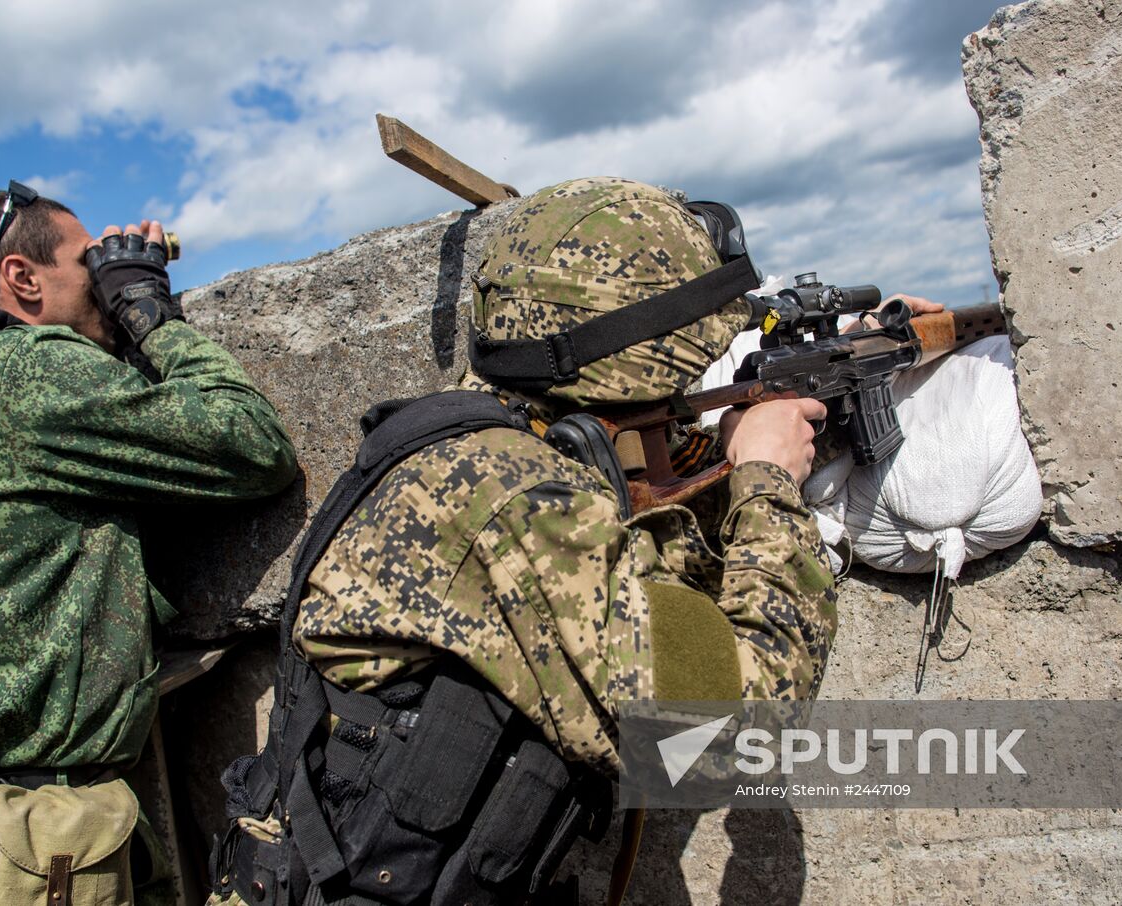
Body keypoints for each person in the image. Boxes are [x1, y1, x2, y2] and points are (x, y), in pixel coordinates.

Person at [213, 177, 838, 905]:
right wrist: (767, 483)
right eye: (678, 383)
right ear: (636, 367)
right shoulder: (512, 498)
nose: (681, 405)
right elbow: (723, 740)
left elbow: (636, 578)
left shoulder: (484, 439)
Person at [0, 181, 299, 903]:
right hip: (17, 846)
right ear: (21, 279)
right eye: (87, 265)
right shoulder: (21, 369)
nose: (100, 285)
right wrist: (147, 306)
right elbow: (252, 445)